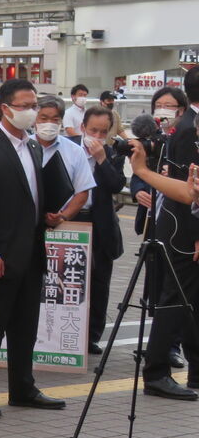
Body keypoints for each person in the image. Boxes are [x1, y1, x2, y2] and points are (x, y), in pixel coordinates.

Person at [0, 78, 66, 419]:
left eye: (34, 105)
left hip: (31, 252)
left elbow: (30, 196)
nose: (32, 112)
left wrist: (47, 215)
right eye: (25, 106)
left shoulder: (33, 146)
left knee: (25, 327)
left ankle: (23, 388)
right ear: (5, 108)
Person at [135, 75, 199, 399]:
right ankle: (156, 371)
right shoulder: (189, 128)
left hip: (182, 225)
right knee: (176, 299)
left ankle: (194, 369)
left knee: (190, 301)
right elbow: (188, 191)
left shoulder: (185, 124)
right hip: (183, 229)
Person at [68, 105, 127, 354]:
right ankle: (65, 332)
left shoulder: (112, 153)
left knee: (99, 281)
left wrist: (102, 159)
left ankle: (92, 335)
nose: (98, 136)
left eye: (103, 132)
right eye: (94, 130)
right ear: (83, 127)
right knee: (68, 278)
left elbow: (116, 184)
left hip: (100, 222)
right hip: (70, 219)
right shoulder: (67, 147)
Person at [32, 96, 93, 233]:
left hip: (62, 228)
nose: (49, 123)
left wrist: (62, 216)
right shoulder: (22, 147)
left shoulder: (75, 151)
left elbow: (83, 191)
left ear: (61, 121)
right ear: (34, 119)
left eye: (55, 119)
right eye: (43, 118)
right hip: (27, 224)